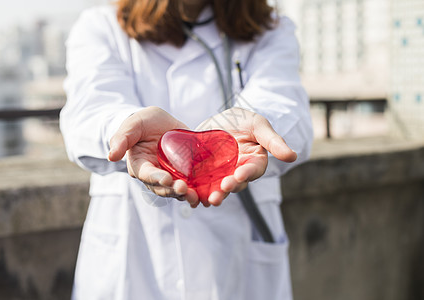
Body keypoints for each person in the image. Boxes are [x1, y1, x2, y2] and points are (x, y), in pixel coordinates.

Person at [60, 0, 313, 299]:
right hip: (134, 266)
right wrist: (126, 125)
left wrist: (254, 122)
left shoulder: (272, 30)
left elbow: (284, 103)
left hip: (239, 264)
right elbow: (89, 111)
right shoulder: (101, 27)